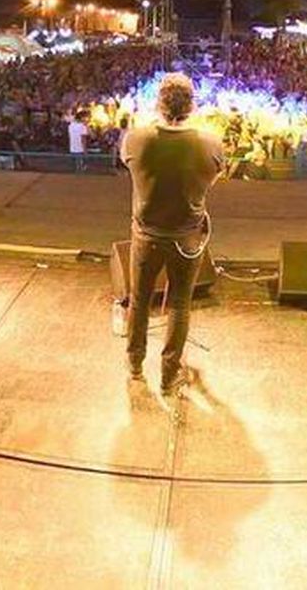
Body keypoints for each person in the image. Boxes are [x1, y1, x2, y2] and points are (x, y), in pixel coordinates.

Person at [119, 73, 224, 397]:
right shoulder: (210, 143)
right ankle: (168, 376)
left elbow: (129, 165)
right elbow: (213, 178)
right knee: (179, 304)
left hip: (147, 236)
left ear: (158, 103)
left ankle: (135, 364)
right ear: (193, 104)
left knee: (139, 300)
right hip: (187, 238)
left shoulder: (136, 139)